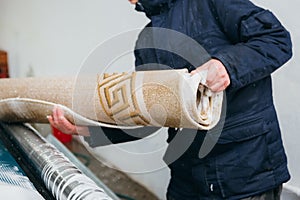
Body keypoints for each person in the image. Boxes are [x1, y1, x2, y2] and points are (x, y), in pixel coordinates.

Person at [49, 0, 293, 199]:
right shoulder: (146, 41)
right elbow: (148, 115)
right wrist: (88, 129)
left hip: (244, 175)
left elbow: (276, 39)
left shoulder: (211, 3)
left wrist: (227, 66)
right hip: (186, 178)